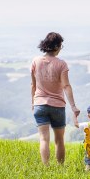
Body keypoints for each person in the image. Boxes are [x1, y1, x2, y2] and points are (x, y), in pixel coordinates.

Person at [31, 31, 80, 165]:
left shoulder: (35, 61)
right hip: (57, 106)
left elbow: (33, 85)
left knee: (43, 139)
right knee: (59, 140)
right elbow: (66, 86)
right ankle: (60, 167)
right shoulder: (61, 64)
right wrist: (73, 106)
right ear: (57, 46)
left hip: (39, 104)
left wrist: (33, 103)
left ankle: (46, 167)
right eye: (61, 46)